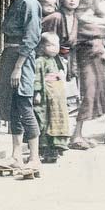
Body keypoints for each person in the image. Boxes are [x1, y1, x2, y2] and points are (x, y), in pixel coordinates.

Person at [0, 0, 42, 179]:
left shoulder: (30, 4)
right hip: (9, 55)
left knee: (24, 104)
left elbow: (31, 38)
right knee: (13, 107)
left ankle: (34, 158)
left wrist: (18, 67)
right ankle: (17, 155)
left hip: (22, 58)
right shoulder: (15, 2)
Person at [69, 0, 105, 150]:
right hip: (85, 56)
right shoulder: (81, 14)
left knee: (98, 93)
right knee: (88, 93)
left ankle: (81, 134)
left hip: (96, 57)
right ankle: (76, 135)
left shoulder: (101, 12)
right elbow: (88, 31)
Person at [33, 32, 69, 163]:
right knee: (45, 121)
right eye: (50, 45)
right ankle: (45, 149)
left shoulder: (56, 60)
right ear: (42, 46)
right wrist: (36, 92)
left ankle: (56, 148)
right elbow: (37, 78)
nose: (55, 48)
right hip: (46, 96)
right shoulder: (39, 61)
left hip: (57, 96)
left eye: (57, 45)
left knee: (58, 119)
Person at [43, 0, 79, 75]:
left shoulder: (78, 19)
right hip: (53, 62)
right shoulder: (55, 17)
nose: (72, 0)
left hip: (71, 62)